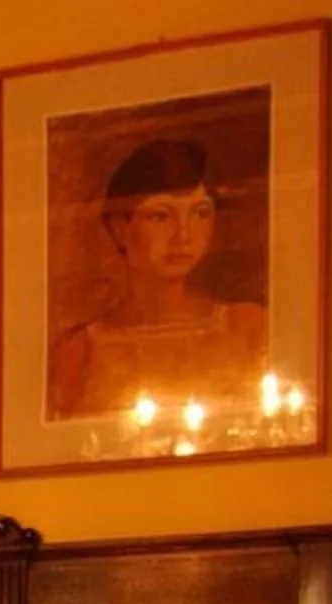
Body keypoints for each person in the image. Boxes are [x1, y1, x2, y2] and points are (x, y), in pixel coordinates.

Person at [49, 137, 270, 421]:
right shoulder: (80, 353)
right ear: (119, 228)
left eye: (200, 213)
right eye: (161, 216)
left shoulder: (248, 328)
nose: (183, 235)